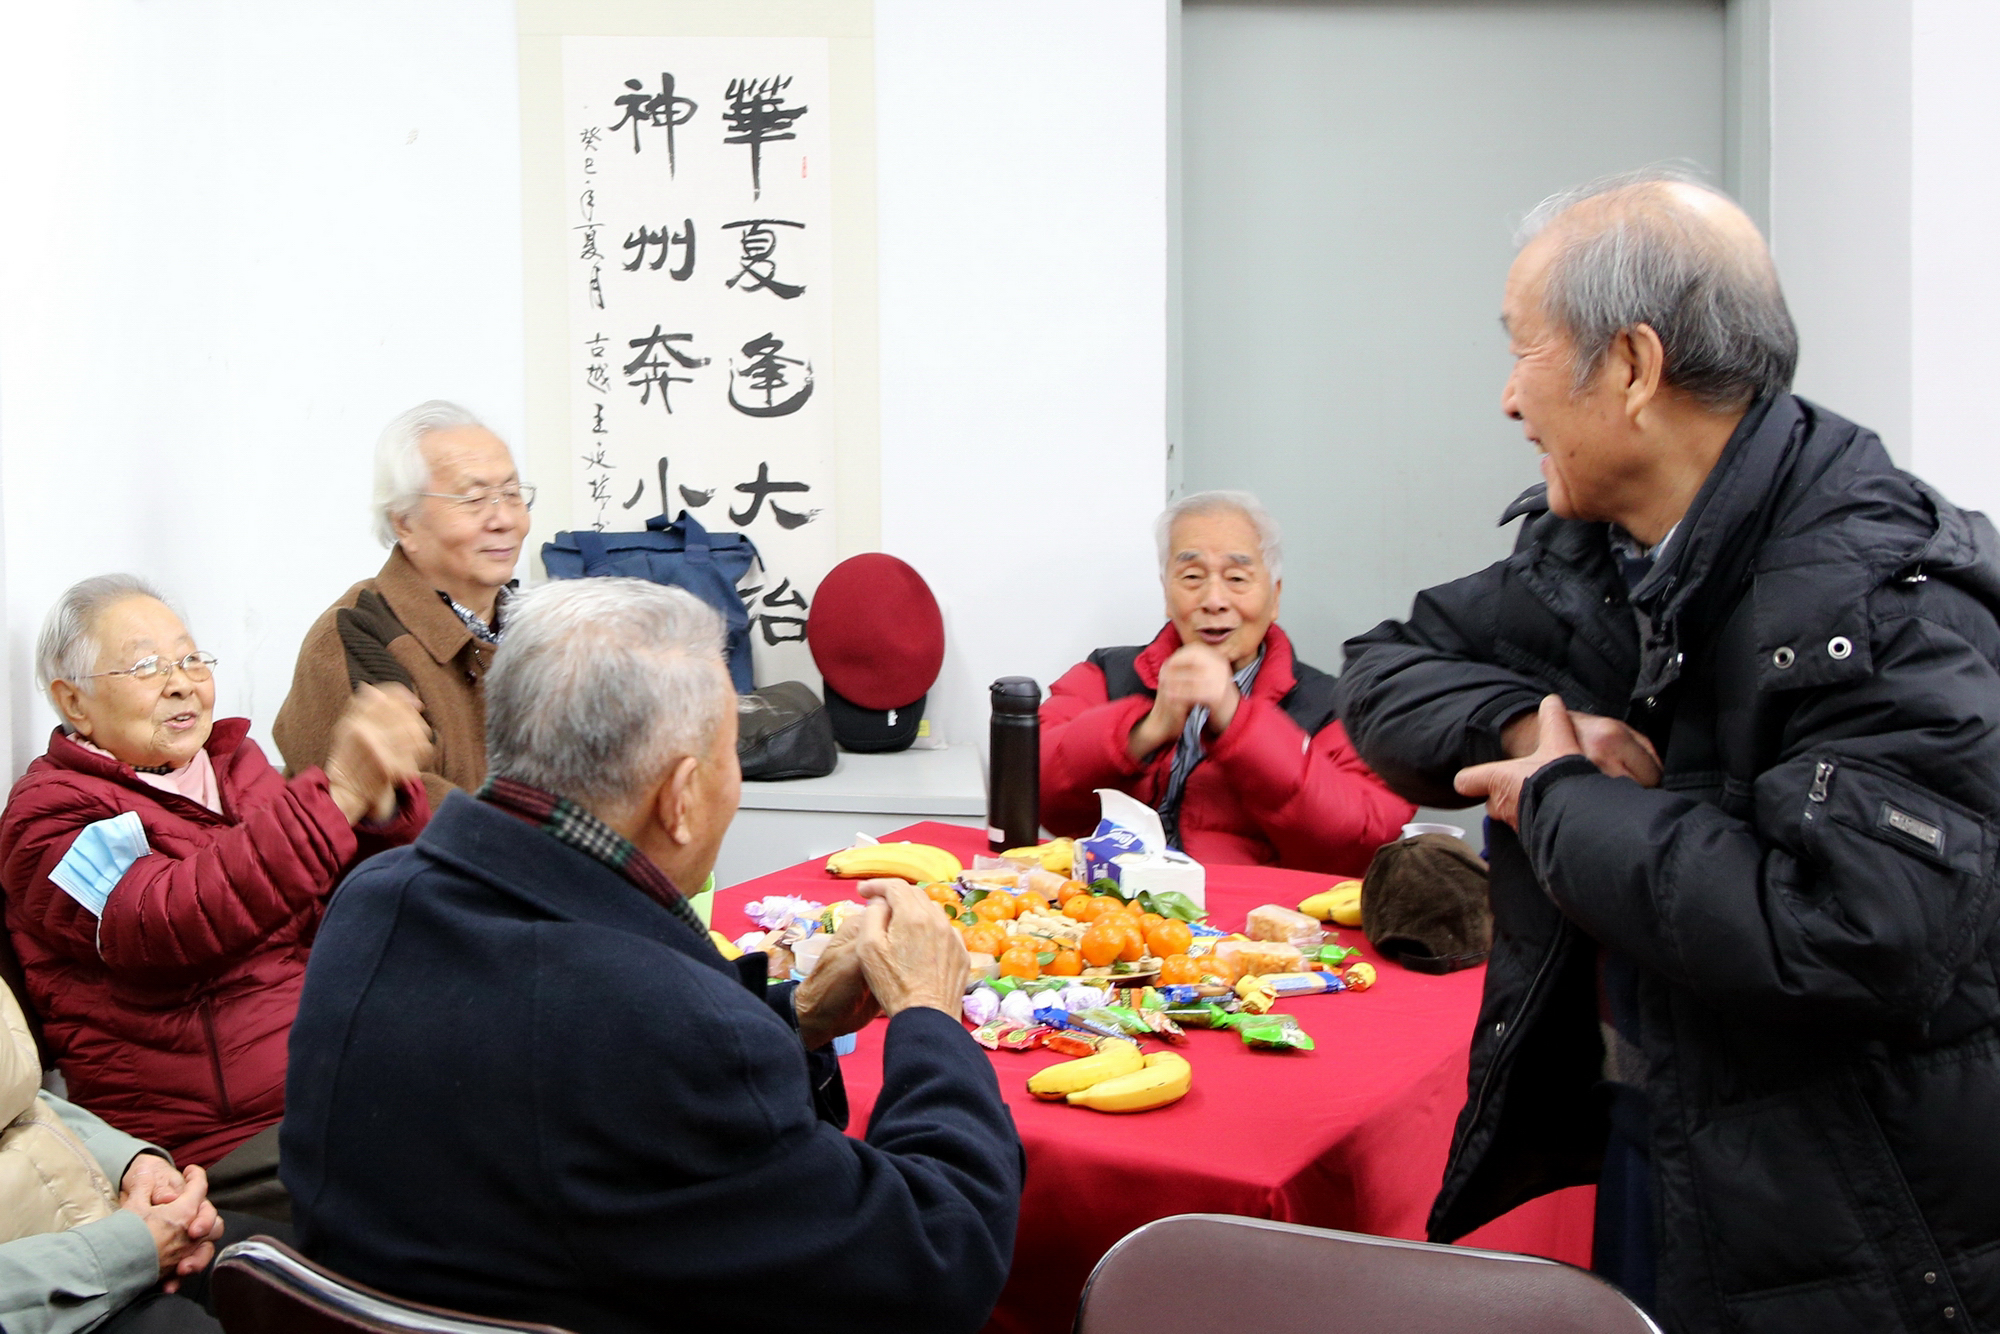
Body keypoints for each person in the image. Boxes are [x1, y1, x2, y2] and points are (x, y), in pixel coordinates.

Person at [1337, 169, 2000, 1334]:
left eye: (1524, 350)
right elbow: (1384, 669)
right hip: (1662, 1129)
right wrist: (1521, 725)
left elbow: (1850, 935)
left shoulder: (1885, 601)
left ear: (1632, 367)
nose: (1506, 398)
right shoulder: (1599, 554)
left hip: (1851, 1210)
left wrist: (1559, 799)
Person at [282, 578, 1023, 1334]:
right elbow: (939, 1261)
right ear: (680, 795)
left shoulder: (371, 904)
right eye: (730, 755)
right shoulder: (672, 1032)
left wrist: (795, 1016)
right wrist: (929, 1015)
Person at [0, 576, 430, 1203]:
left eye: (190, 659)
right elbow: (165, 918)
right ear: (74, 702)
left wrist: (379, 806)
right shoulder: (49, 819)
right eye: (146, 666)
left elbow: (344, 898)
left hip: (338, 1083)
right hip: (213, 1149)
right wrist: (339, 793)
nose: (181, 683)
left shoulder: (236, 766)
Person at [1040, 490, 1413, 873]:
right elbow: (1032, 784)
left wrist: (1237, 721)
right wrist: (1145, 731)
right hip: (1106, 903)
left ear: (1274, 596)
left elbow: (1363, 839)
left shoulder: (1335, 709)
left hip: (1255, 908)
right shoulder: (1106, 674)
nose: (1214, 600)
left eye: (1236, 578)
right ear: (1167, 593)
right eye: (1192, 577)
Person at [274, 400, 532, 807]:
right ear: (405, 522)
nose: (505, 520)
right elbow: (402, 814)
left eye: (512, 494)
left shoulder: (541, 629)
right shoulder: (356, 634)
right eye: (474, 499)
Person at [0, 980, 237, 1334]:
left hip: (104, 1222)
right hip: (44, 1298)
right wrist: (126, 1249)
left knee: (290, 1268)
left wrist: (133, 1165)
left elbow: (21, 1094)